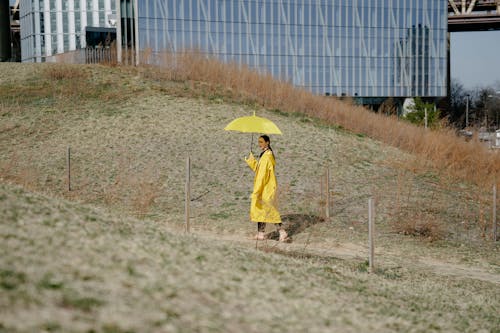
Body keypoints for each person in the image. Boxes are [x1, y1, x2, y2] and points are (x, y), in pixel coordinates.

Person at [245, 135, 288, 241]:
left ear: (267, 142)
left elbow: (262, 175)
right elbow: (259, 170)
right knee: (260, 209)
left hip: (266, 187)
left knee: (269, 209)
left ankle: (282, 232)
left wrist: (257, 190)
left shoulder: (267, 155)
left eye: (261, 142)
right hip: (264, 186)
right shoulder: (264, 154)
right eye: (258, 142)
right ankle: (260, 233)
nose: (259, 144)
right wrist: (252, 160)